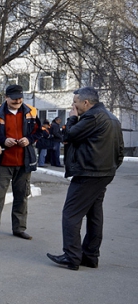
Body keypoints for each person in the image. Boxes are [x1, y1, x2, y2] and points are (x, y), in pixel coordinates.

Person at [47, 87, 123, 270]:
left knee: (71, 214)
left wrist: (72, 118)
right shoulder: (112, 118)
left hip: (88, 173)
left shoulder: (92, 117)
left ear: (86, 103)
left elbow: (68, 134)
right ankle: (90, 256)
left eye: (75, 103)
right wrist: (110, 168)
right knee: (94, 214)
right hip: (103, 173)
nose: (74, 107)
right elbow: (120, 150)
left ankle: (72, 257)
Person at [0, 84, 41, 241]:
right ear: (6, 98)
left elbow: (39, 132)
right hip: (3, 162)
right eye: (14, 99)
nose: (18, 101)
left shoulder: (32, 112)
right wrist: (3, 140)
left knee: (22, 196)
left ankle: (19, 228)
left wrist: (29, 139)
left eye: (20, 98)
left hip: (24, 161)